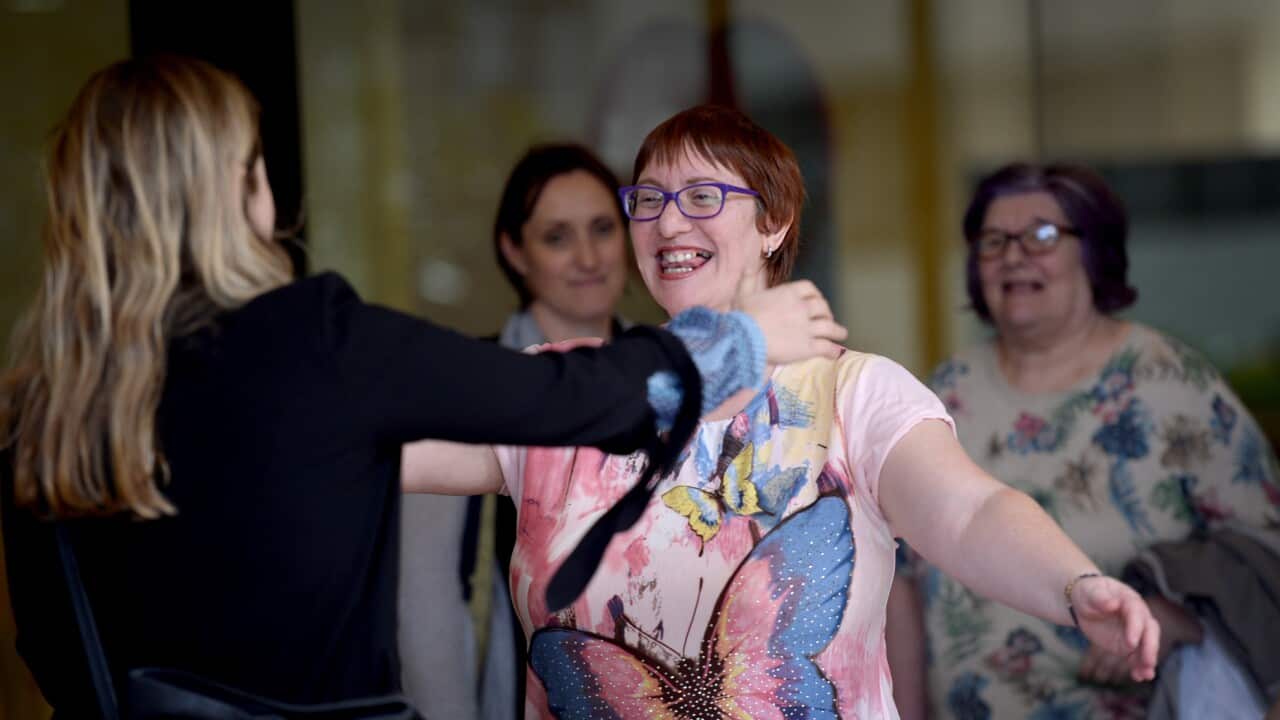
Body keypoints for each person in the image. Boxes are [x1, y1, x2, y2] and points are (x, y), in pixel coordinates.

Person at [0, 57, 848, 715]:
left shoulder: (42, 402)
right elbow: (562, 401)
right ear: (240, 190)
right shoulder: (312, 343)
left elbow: (51, 651)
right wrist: (735, 342)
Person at [402, 106, 1161, 719]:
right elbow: (386, 448)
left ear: (775, 221)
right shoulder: (568, 392)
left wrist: (1073, 584)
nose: (669, 225)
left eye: (703, 197)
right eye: (650, 201)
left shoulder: (853, 393)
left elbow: (968, 512)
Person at [887, 162, 1280, 719]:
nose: (1013, 255)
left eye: (1042, 236)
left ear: (1094, 251)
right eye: (994, 240)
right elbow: (901, 575)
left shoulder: (1171, 382)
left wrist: (1174, 619)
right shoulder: (944, 394)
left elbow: (1266, 551)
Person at [399, 143, 632, 718]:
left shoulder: (667, 382)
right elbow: (426, 602)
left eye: (602, 228)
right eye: (557, 236)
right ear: (514, 251)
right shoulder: (469, 387)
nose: (587, 256)